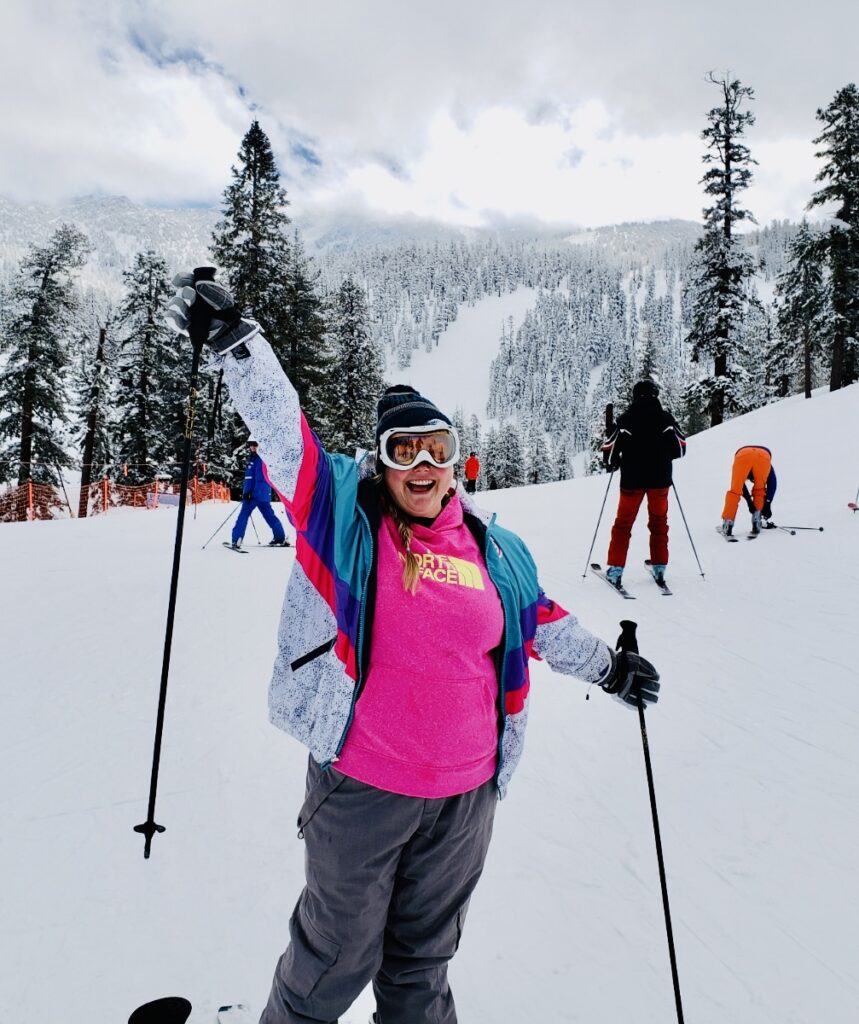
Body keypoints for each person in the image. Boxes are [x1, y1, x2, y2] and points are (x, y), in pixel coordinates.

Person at [167, 275, 662, 1024]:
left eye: (438, 448)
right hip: (364, 788)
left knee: (422, 964)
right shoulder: (343, 517)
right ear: (384, 463)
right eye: (406, 451)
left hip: (465, 799)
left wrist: (611, 668)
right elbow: (282, 430)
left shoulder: (497, 548)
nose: (423, 465)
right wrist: (239, 343)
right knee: (334, 956)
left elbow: (541, 624)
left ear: (455, 459)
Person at [601, 379, 687, 587]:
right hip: (660, 481)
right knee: (659, 522)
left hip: (632, 480)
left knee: (623, 524)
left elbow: (609, 450)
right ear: (655, 395)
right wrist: (665, 457)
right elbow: (681, 448)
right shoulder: (666, 419)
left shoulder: (625, 420)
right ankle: (659, 567)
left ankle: (615, 570)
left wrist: (616, 461)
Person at [231, 439, 290, 548]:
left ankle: (236, 538)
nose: (252, 447)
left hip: (255, 494)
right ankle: (279, 537)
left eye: (255, 445)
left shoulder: (260, 459)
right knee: (269, 515)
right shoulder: (254, 458)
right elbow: (250, 478)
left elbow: (260, 478)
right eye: (250, 445)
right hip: (261, 494)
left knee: (243, 514)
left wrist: (250, 493)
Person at [721, 446, 777, 537]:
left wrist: (750, 502)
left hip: (743, 454)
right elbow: (772, 484)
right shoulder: (769, 467)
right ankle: (757, 521)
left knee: (735, 491)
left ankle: (728, 523)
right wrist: (767, 503)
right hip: (763, 456)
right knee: (760, 489)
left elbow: (740, 486)